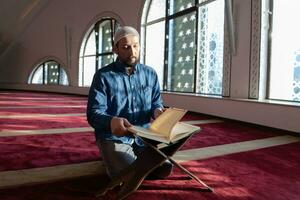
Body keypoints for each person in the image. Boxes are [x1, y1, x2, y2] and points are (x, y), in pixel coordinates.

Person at [86, 26, 173, 179]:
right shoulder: (103, 76)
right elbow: (93, 114)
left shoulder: (150, 73)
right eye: (126, 47)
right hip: (113, 137)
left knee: (164, 168)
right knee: (128, 173)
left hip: (143, 136)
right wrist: (111, 121)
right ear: (115, 49)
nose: (132, 52)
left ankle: (128, 161)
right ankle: (114, 158)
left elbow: (155, 102)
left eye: (135, 46)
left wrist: (157, 111)